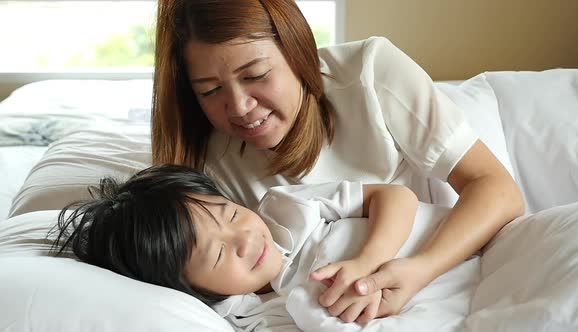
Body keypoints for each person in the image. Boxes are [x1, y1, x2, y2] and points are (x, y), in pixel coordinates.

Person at [151, 0, 524, 323]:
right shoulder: (207, 163)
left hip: (443, 269)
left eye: (255, 75)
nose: (240, 107)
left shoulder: (370, 72)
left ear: (298, 53)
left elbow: (498, 189)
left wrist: (416, 271)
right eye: (210, 90)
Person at [51, 163, 419, 325]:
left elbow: (397, 196)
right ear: (191, 288)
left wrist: (369, 263)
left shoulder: (288, 208)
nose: (244, 239)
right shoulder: (246, 318)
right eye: (218, 253)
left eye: (229, 214)